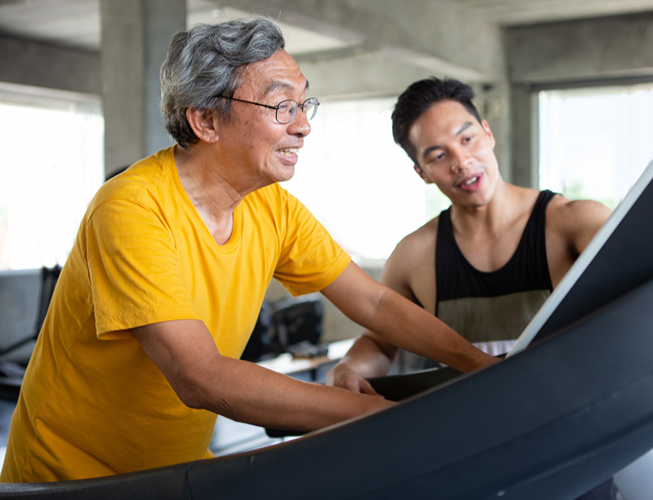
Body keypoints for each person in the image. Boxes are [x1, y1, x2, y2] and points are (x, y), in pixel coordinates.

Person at [0, 20, 497, 483]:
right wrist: (378, 417)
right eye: (283, 107)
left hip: (173, 471)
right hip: (68, 477)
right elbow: (200, 376)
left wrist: (481, 366)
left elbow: (375, 304)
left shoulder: (272, 208)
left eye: (306, 105)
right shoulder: (132, 209)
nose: (303, 126)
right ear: (206, 120)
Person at [327, 77, 615, 499]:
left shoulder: (575, 223)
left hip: (570, 445)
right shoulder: (414, 255)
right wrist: (349, 368)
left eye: (467, 139)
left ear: (487, 133)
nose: (462, 161)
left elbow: (635, 294)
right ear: (421, 172)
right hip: (469, 456)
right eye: (439, 155)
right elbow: (379, 340)